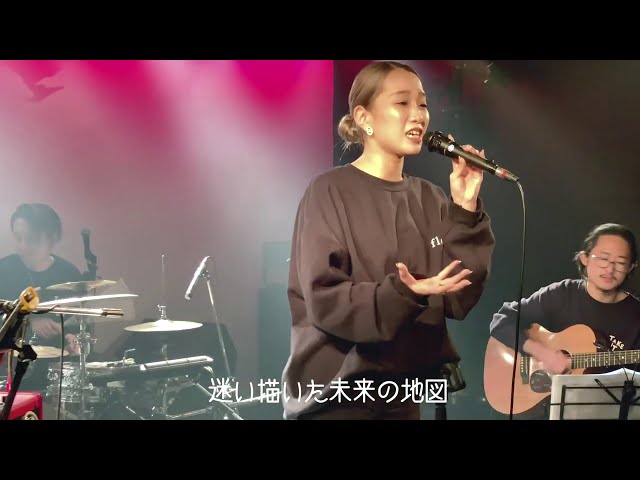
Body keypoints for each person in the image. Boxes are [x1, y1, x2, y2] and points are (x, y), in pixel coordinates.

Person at [281, 60, 496, 420]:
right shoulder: (328, 192)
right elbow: (325, 300)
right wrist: (405, 293)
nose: (418, 115)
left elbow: (458, 297)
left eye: (423, 104)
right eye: (402, 103)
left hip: (404, 398)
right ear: (364, 118)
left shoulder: (429, 198)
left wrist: (465, 208)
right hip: (339, 400)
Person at [488, 222, 640, 418]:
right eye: (603, 259)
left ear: (631, 267)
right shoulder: (563, 293)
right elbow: (502, 320)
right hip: (541, 409)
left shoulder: (636, 315)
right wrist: (542, 353)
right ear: (585, 258)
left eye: (620, 262)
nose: (610, 269)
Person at [0, 203, 83, 399]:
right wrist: (30, 323)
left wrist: (72, 337)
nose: (23, 246)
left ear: (52, 238)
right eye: (18, 238)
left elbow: (79, 322)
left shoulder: (69, 274)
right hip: (9, 371)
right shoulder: (4, 270)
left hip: (54, 374)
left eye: (32, 239)